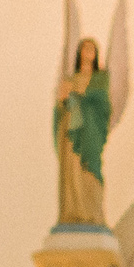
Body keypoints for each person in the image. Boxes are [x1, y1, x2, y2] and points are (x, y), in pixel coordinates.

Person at [54, 36, 111, 228]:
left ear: (96, 55)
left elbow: (103, 106)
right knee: (73, 171)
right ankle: (73, 213)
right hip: (72, 132)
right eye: (84, 49)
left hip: (90, 133)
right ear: (79, 53)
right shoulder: (71, 80)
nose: (88, 53)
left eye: (91, 49)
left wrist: (80, 96)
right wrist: (63, 99)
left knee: (90, 171)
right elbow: (61, 109)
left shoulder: (99, 80)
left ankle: (92, 213)